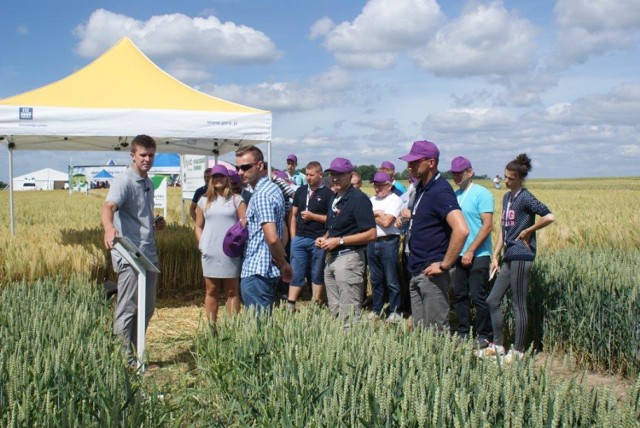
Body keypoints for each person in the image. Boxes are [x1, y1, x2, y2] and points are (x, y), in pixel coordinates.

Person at [482, 154, 555, 362]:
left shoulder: (525, 197)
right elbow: (504, 231)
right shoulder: (506, 198)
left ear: (520, 179)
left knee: (518, 303)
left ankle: (519, 351)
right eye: (504, 177)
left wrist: (528, 231)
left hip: (523, 255)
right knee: (492, 299)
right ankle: (497, 345)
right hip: (508, 255)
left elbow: (549, 216)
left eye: (510, 178)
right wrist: (495, 256)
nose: (505, 181)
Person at [101, 134, 166, 363]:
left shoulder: (148, 182)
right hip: (129, 254)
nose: (147, 159)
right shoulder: (124, 181)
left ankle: (136, 355)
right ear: (133, 156)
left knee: (146, 309)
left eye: (151, 155)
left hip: (148, 253)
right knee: (127, 307)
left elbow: (139, 215)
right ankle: (123, 361)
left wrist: (154, 223)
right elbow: (108, 207)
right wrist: (109, 229)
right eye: (143, 155)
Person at [399, 140, 469, 330]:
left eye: (415, 162)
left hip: (431, 273)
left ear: (431, 162)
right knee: (421, 334)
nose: (409, 166)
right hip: (417, 268)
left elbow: (461, 229)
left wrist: (445, 265)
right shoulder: (422, 187)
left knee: (435, 335)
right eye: (409, 162)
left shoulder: (440, 191)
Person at [316, 158, 376, 328]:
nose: (335, 178)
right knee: (335, 309)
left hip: (349, 258)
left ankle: (353, 350)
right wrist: (325, 237)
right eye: (332, 174)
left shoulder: (359, 199)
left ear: (350, 175)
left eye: (339, 175)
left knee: (349, 312)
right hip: (332, 258)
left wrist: (339, 240)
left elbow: (371, 233)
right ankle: (340, 348)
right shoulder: (334, 197)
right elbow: (333, 228)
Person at [236, 145, 293, 313]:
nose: (240, 172)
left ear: (259, 166)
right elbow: (282, 228)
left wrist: (282, 263)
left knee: (257, 331)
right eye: (238, 167)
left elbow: (273, 237)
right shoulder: (273, 189)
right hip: (266, 271)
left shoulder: (261, 195)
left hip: (256, 272)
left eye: (245, 167)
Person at [449, 157, 494, 348]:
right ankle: (463, 331)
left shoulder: (482, 194)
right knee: (459, 295)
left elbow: (487, 226)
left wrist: (471, 250)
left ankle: (484, 335)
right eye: (454, 173)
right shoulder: (454, 195)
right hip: (458, 254)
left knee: (478, 296)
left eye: (460, 172)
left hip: (479, 254)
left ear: (470, 172)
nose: (456, 176)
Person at [194, 164, 246, 322]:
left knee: (232, 291)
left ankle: (233, 327)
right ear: (211, 180)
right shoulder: (203, 201)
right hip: (210, 251)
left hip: (230, 252)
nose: (218, 179)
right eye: (215, 177)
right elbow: (198, 226)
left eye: (221, 176)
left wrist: (237, 242)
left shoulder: (237, 200)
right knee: (211, 290)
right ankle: (211, 329)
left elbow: (244, 224)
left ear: (227, 179)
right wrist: (202, 244)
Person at [288, 161, 333, 309]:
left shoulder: (328, 194)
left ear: (320, 175)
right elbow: (293, 215)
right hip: (299, 238)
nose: (308, 177)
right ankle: (291, 304)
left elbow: (332, 219)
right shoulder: (300, 191)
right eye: (306, 174)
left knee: (316, 272)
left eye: (311, 175)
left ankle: (315, 303)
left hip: (318, 239)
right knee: (296, 272)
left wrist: (314, 217)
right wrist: (293, 237)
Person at [367, 171, 403, 322]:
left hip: (388, 242)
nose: (377, 189)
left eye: (381, 186)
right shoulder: (371, 199)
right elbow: (365, 218)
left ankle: (395, 311)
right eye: (375, 186)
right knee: (375, 279)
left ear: (389, 185)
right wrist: (377, 213)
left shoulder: (395, 200)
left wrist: (372, 215)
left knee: (391, 279)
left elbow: (387, 223)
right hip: (372, 241)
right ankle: (377, 309)